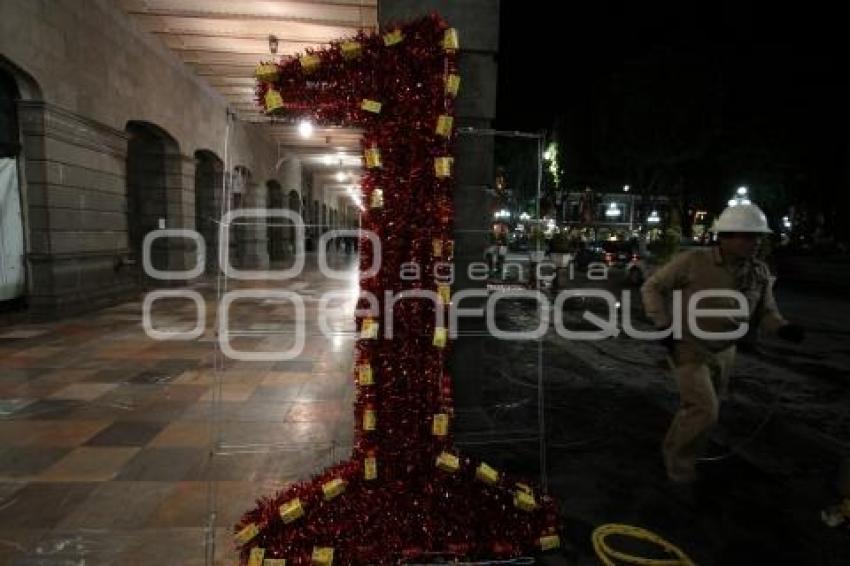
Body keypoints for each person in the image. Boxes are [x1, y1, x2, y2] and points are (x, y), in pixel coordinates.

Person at [641, 203, 805, 484]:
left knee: (697, 410)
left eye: (757, 237)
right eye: (748, 236)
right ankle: (679, 473)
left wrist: (783, 328)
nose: (755, 243)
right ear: (726, 237)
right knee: (705, 410)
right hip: (688, 346)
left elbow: (765, 311)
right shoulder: (692, 261)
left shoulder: (758, 272)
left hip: (725, 351)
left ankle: (675, 451)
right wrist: (662, 324)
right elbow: (652, 286)